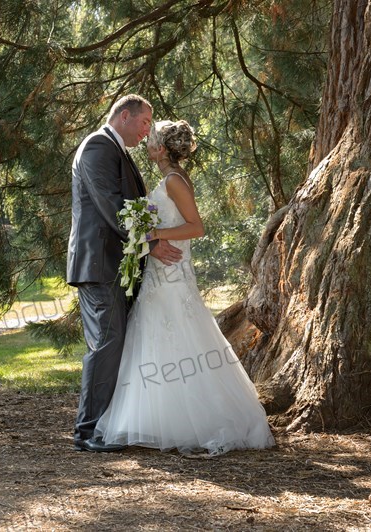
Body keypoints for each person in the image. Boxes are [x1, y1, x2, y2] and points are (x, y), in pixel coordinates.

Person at [94, 120, 275, 455]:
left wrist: (154, 234)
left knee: (179, 335)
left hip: (173, 273)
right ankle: (153, 420)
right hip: (161, 272)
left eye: (151, 140)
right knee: (155, 336)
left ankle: (192, 421)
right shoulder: (168, 178)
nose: (146, 144)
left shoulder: (174, 181)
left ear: (161, 149)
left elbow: (196, 227)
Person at [67, 95, 183, 452]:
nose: (147, 130)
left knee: (115, 341)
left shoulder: (117, 150)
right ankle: (87, 431)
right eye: (145, 122)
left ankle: (106, 424)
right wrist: (151, 242)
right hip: (99, 264)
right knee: (106, 342)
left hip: (116, 264)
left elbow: (132, 206)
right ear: (124, 116)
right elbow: (112, 206)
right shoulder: (97, 147)